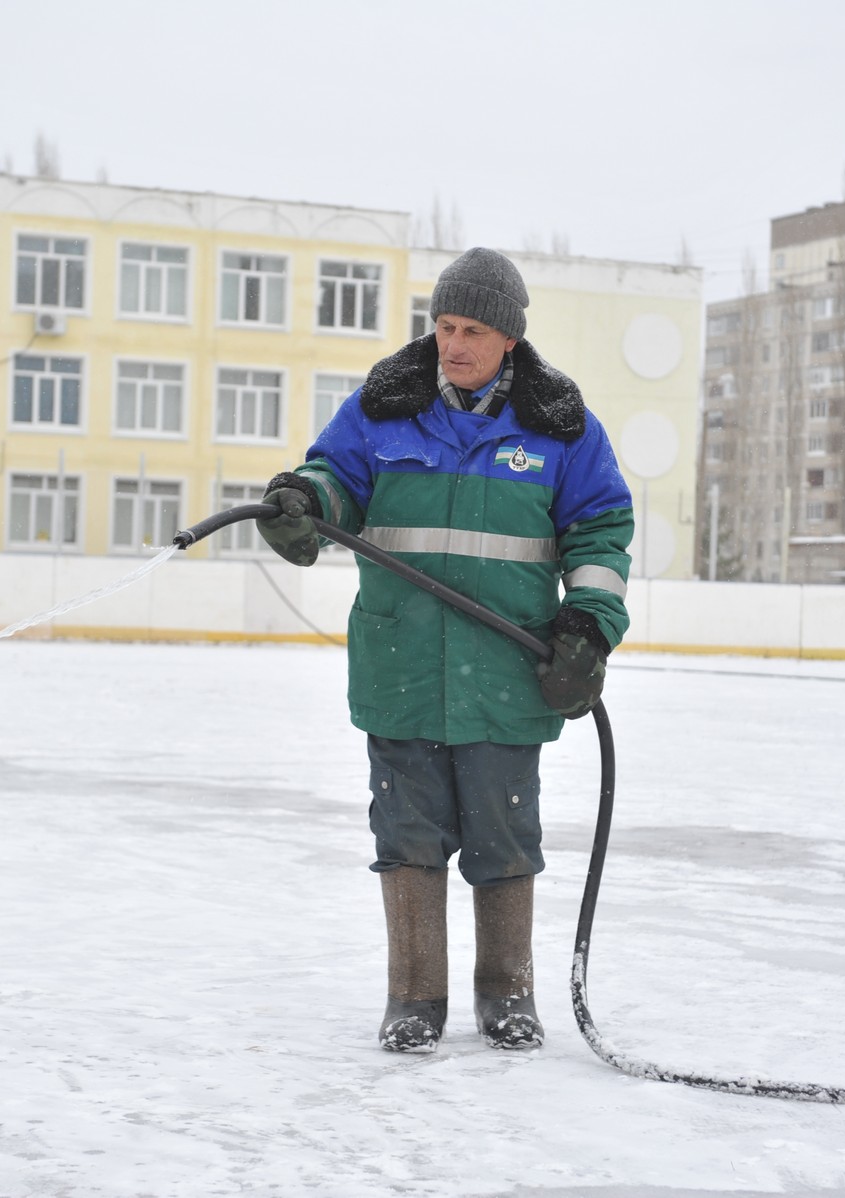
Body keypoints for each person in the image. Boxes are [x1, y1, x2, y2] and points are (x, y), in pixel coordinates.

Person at [255, 247, 633, 1052]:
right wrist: (302, 499)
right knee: (408, 835)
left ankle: (509, 994)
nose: (453, 345)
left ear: (508, 340)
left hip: (504, 672)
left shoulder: (560, 428)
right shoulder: (382, 410)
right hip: (403, 668)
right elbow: (333, 482)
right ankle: (413, 999)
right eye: (443, 326)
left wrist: (587, 624)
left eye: (472, 331)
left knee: (504, 837)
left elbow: (601, 530)